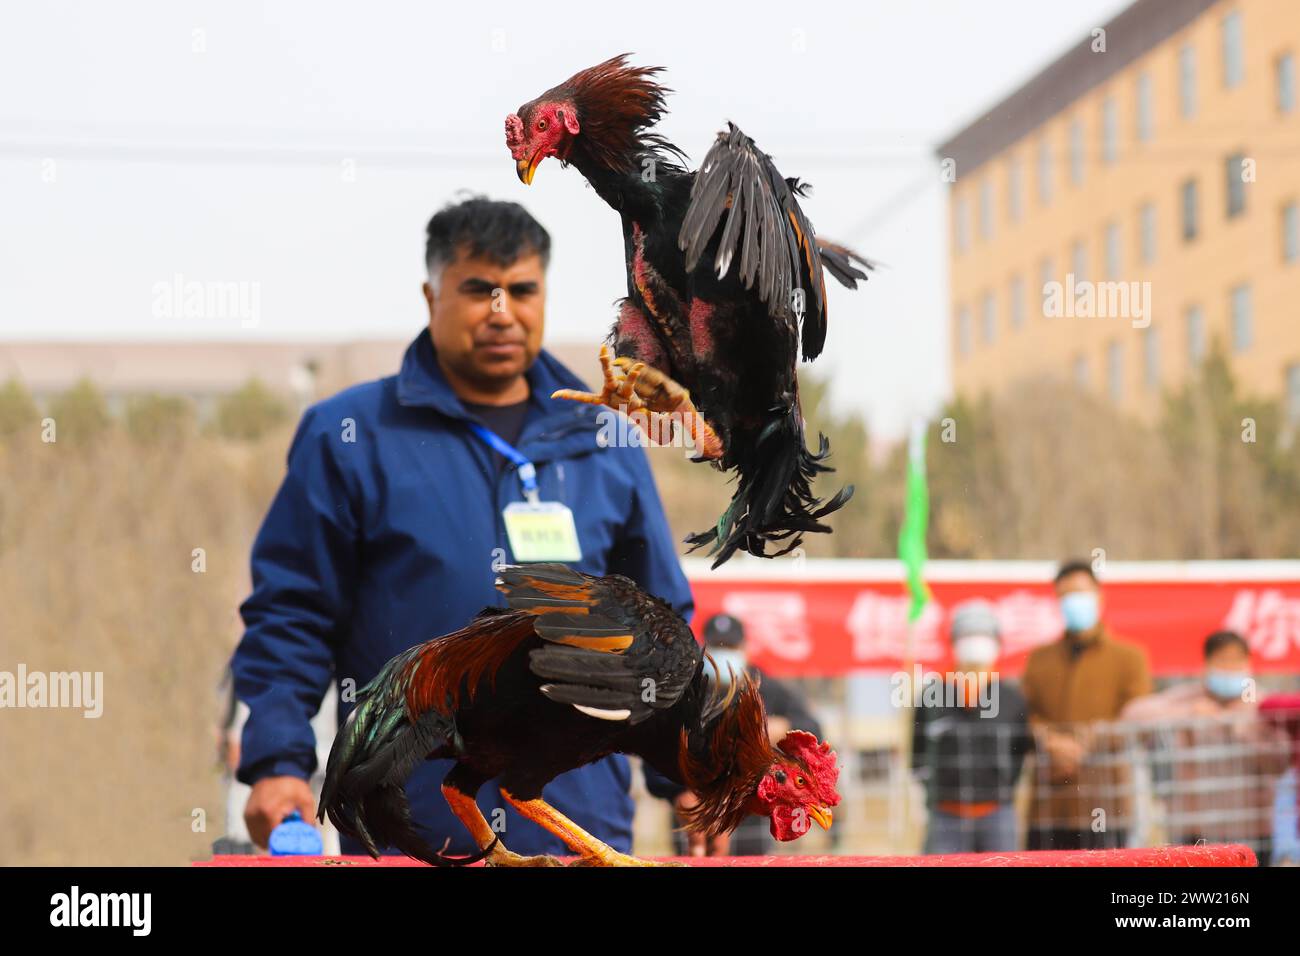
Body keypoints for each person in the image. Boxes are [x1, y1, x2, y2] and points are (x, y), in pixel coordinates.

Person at [230, 196, 693, 857]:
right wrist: (276, 761)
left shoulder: (603, 441)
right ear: (431, 295)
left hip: (583, 834)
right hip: (409, 830)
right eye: (478, 289)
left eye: (522, 290)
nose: (501, 310)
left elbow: (664, 622)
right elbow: (291, 616)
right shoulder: (349, 437)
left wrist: (684, 773)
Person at [648, 613, 824, 856]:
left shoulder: (768, 689)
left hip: (751, 826)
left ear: (744, 648)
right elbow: (653, 749)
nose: (724, 653)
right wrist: (678, 793)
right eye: (716, 646)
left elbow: (813, 729)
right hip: (697, 821)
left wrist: (784, 728)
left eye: (730, 646)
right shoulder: (685, 692)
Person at [1121, 631, 1290, 863]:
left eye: (1236, 661)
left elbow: (1280, 762)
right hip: (1194, 828)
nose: (1230, 667)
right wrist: (1188, 714)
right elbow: (1133, 714)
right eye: (1222, 660)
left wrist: (1240, 729)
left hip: (1250, 829)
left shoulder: (1260, 704)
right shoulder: (1189, 697)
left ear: (1248, 664)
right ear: (1207, 664)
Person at [1021, 559, 1152, 850]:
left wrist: (1085, 743)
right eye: (1065, 595)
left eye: (1080, 593)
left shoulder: (1129, 658)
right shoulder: (1039, 659)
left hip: (1108, 800)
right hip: (1050, 806)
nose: (1073, 602)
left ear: (1099, 596)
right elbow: (1025, 715)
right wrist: (1051, 741)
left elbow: (1136, 717)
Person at [911, 600, 1032, 854]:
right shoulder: (932, 696)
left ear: (996, 642)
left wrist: (1004, 788)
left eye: (983, 635)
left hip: (998, 814)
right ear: (954, 641)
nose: (975, 642)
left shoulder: (1012, 698)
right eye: (968, 634)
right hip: (944, 816)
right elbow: (917, 754)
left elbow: (1020, 753)